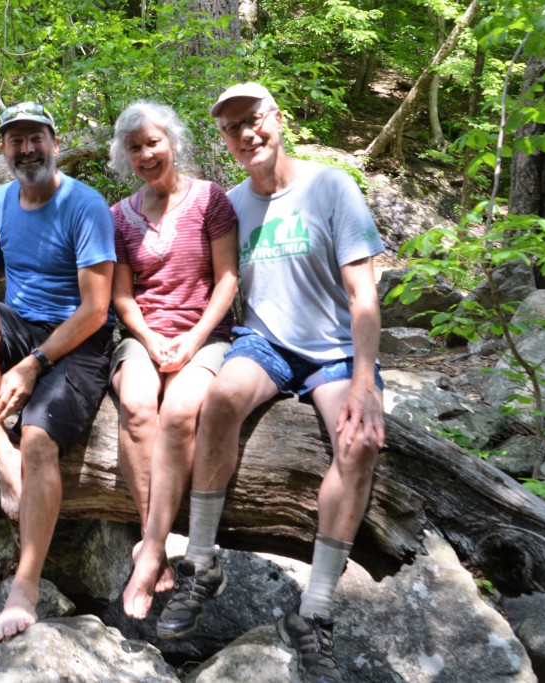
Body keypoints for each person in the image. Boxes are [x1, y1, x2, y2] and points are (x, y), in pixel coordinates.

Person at [156, 83, 385, 683]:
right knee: (223, 397)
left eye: (253, 120)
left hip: (334, 350)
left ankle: (314, 612)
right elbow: (198, 282)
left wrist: (364, 382)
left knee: (359, 443)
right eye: (233, 129)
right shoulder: (230, 205)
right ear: (225, 141)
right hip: (265, 344)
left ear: (277, 118)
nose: (247, 134)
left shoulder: (329, 186)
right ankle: (200, 564)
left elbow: (364, 296)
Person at [0, 101, 115, 643]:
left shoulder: (85, 205)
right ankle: (0, 457)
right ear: (3, 149)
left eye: (35, 137)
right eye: (15, 140)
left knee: (40, 440)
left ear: (54, 141)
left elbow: (94, 309)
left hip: (79, 339)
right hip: (22, 324)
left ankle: (25, 586)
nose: (26, 149)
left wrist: (33, 365)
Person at [106, 101, 238, 619]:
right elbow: (122, 297)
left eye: (153, 142)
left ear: (174, 143)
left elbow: (228, 279)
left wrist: (192, 338)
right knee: (138, 404)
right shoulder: (119, 215)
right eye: (134, 147)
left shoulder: (210, 200)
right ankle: (152, 542)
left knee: (180, 414)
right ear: (125, 155)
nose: (145, 153)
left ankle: (152, 550)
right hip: (143, 336)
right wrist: (150, 338)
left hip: (206, 335)